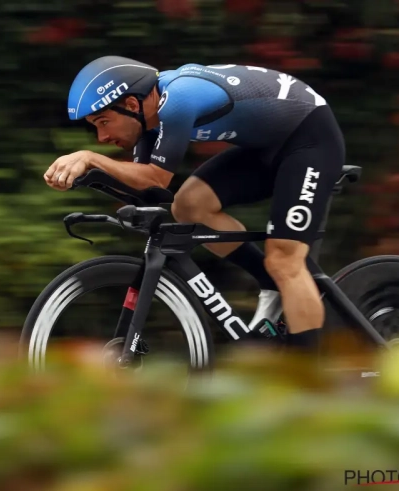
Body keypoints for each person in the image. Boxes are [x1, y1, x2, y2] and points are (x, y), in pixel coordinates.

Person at [44, 55, 346, 352]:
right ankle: (270, 280)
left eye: (104, 122)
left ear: (132, 106)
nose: (102, 136)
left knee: (284, 259)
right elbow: (149, 192)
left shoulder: (177, 100)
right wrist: (92, 177)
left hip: (309, 140)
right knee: (188, 205)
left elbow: (155, 179)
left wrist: (90, 159)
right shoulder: (146, 123)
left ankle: (308, 380)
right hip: (264, 147)